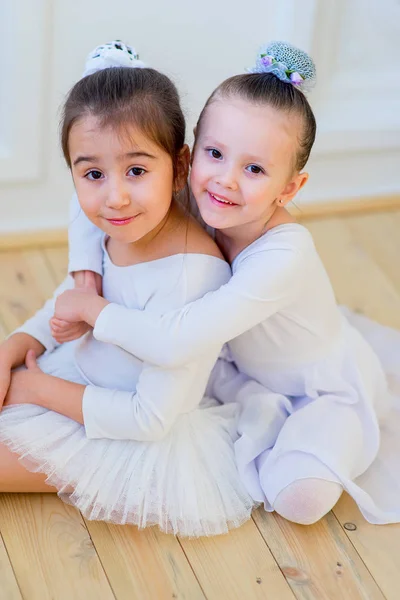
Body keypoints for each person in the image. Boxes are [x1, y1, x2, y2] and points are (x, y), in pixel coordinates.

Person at [53, 40, 400, 526]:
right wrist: (86, 275)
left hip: (312, 387)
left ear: (290, 188)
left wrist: (90, 310)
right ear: (187, 157)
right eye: (215, 154)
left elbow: (174, 345)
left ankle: (329, 433)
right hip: (232, 364)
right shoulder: (203, 194)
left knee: (298, 501)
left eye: (254, 168)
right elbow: (88, 195)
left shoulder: (284, 254)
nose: (226, 180)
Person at [0, 41, 254, 537]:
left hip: (122, 432)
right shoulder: (121, 223)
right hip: (78, 376)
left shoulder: (192, 278)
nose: (114, 196)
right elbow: (70, 300)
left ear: (179, 167)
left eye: (136, 170)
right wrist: (17, 345)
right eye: (93, 173)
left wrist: (34, 388)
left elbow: (149, 420)